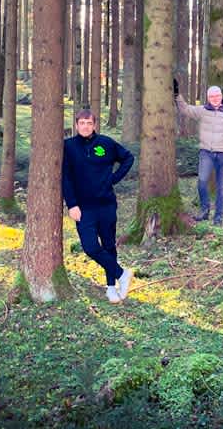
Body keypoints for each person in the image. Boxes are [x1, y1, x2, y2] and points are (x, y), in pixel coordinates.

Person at [61, 109, 135, 304]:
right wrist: (72, 204)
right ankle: (122, 274)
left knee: (109, 245)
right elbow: (65, 177)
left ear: (94, 125)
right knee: (91, 247)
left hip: (106, 205)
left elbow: (128, 158)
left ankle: (111, 288)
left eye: (89, 123)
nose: (85, 126)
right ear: (76, 125)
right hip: (83, 208)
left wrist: (113, 179)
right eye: (82, 123)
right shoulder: (67, 147)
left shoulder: (106, 144)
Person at [174, 82, 223, 226]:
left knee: (221, 187)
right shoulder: (203, 110)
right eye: (212, 96)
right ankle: (205, 211)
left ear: (221, 96)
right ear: (208, 98)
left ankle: (218, 217)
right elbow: (186, 109)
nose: (215, 98)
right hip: (206, 152)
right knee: (202, 182)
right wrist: (176, 95)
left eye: (217, 95)